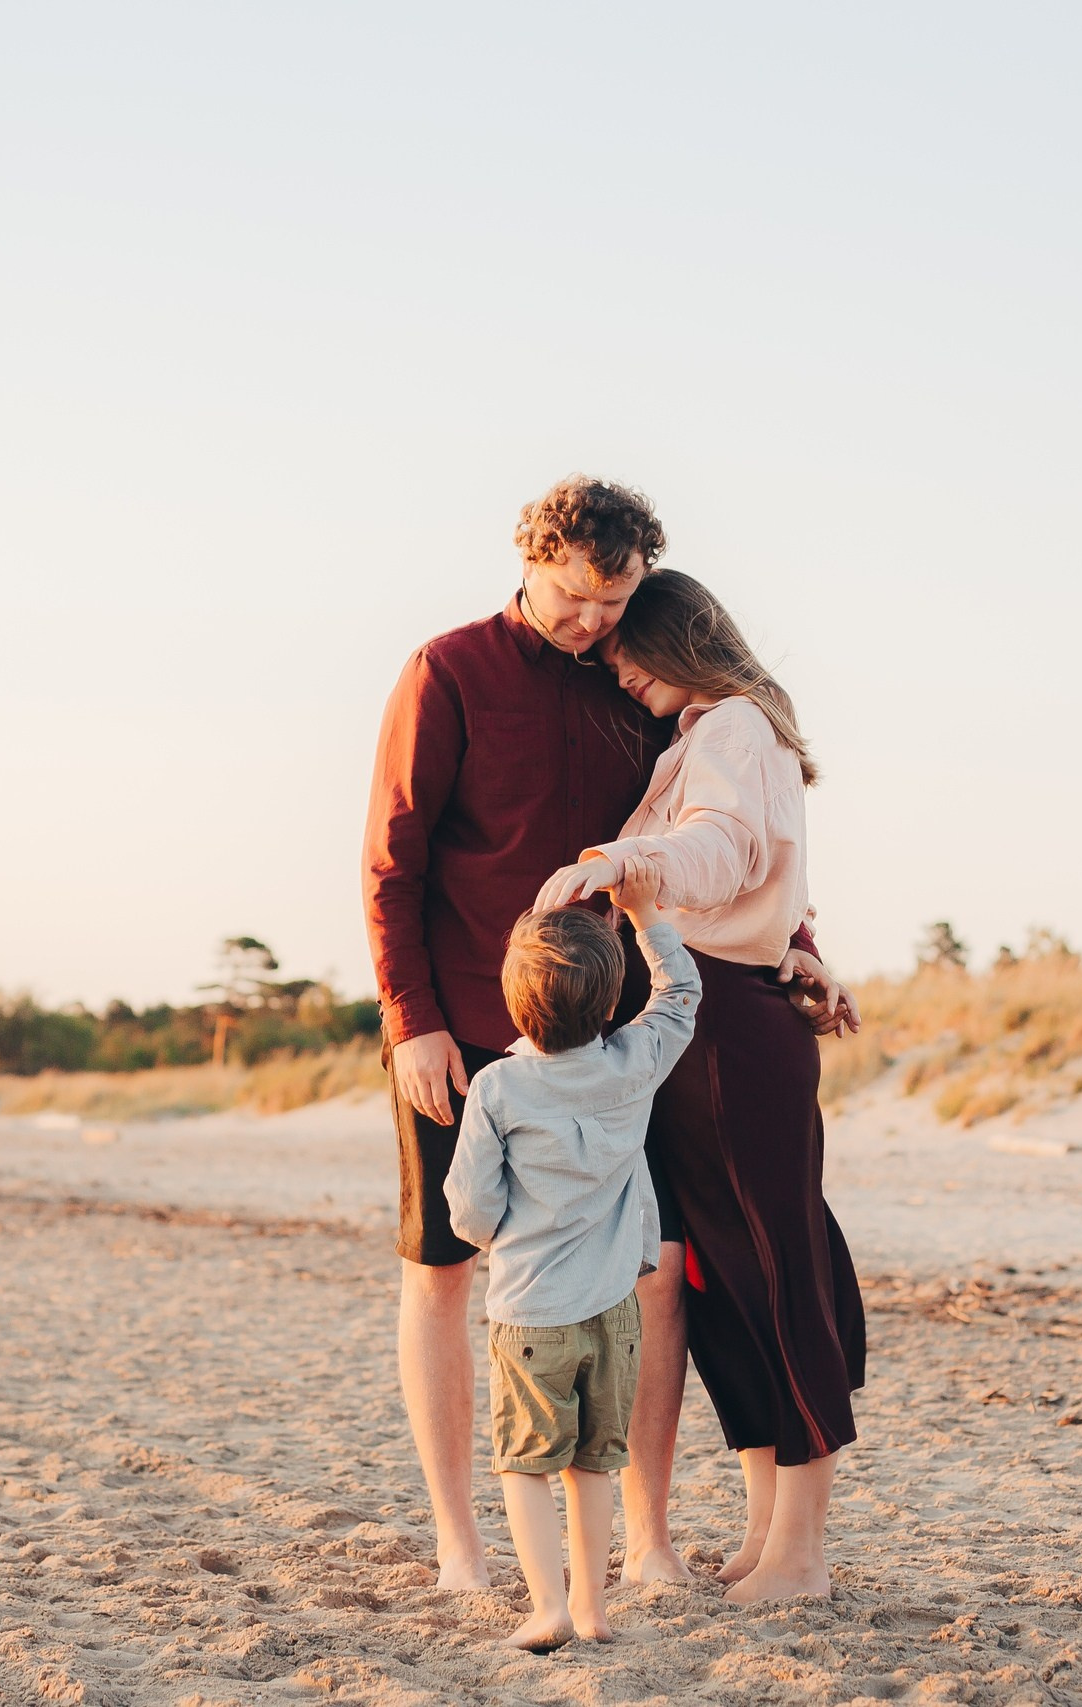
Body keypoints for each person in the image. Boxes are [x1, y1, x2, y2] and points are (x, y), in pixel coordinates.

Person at [363, 477, 827, 1589]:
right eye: (573, 598)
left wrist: (802, 936)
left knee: (655, 1274)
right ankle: (459, 1548)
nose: (590, 624)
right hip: (469, 1024)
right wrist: (413, 1022)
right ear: (531, 563)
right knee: (444, 1269)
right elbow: (393, 864)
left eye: (612, 602)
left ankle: (650, 1542)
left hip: (627, 1035)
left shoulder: (639, 682)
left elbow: (722, 831)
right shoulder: (447, 670)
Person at [534, 569, 866, 1604]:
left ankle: (801, 1554)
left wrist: (610, 863)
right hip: (706, 1019)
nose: (614, 666)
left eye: (628, 647)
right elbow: (773, 874)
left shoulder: (728, 729)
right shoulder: (710, 738)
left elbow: (723, 852)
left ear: (679, 641)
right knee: (730, 1284)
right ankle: (769, 1535)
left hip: (725, 1025)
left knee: (777, 1277)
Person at [443, 867, 699, 1650]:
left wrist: (502, 1237)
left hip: (529, 1312)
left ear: (514, 1002)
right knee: (594, 1462)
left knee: (526, 1464)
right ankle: (592, 1606)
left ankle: (548, 1608)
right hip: (616, 1312)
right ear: (610, 999)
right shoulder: (633, 1064)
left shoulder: (498, 1089)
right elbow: (681, 995)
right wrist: (647, 915)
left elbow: (470, 1210)